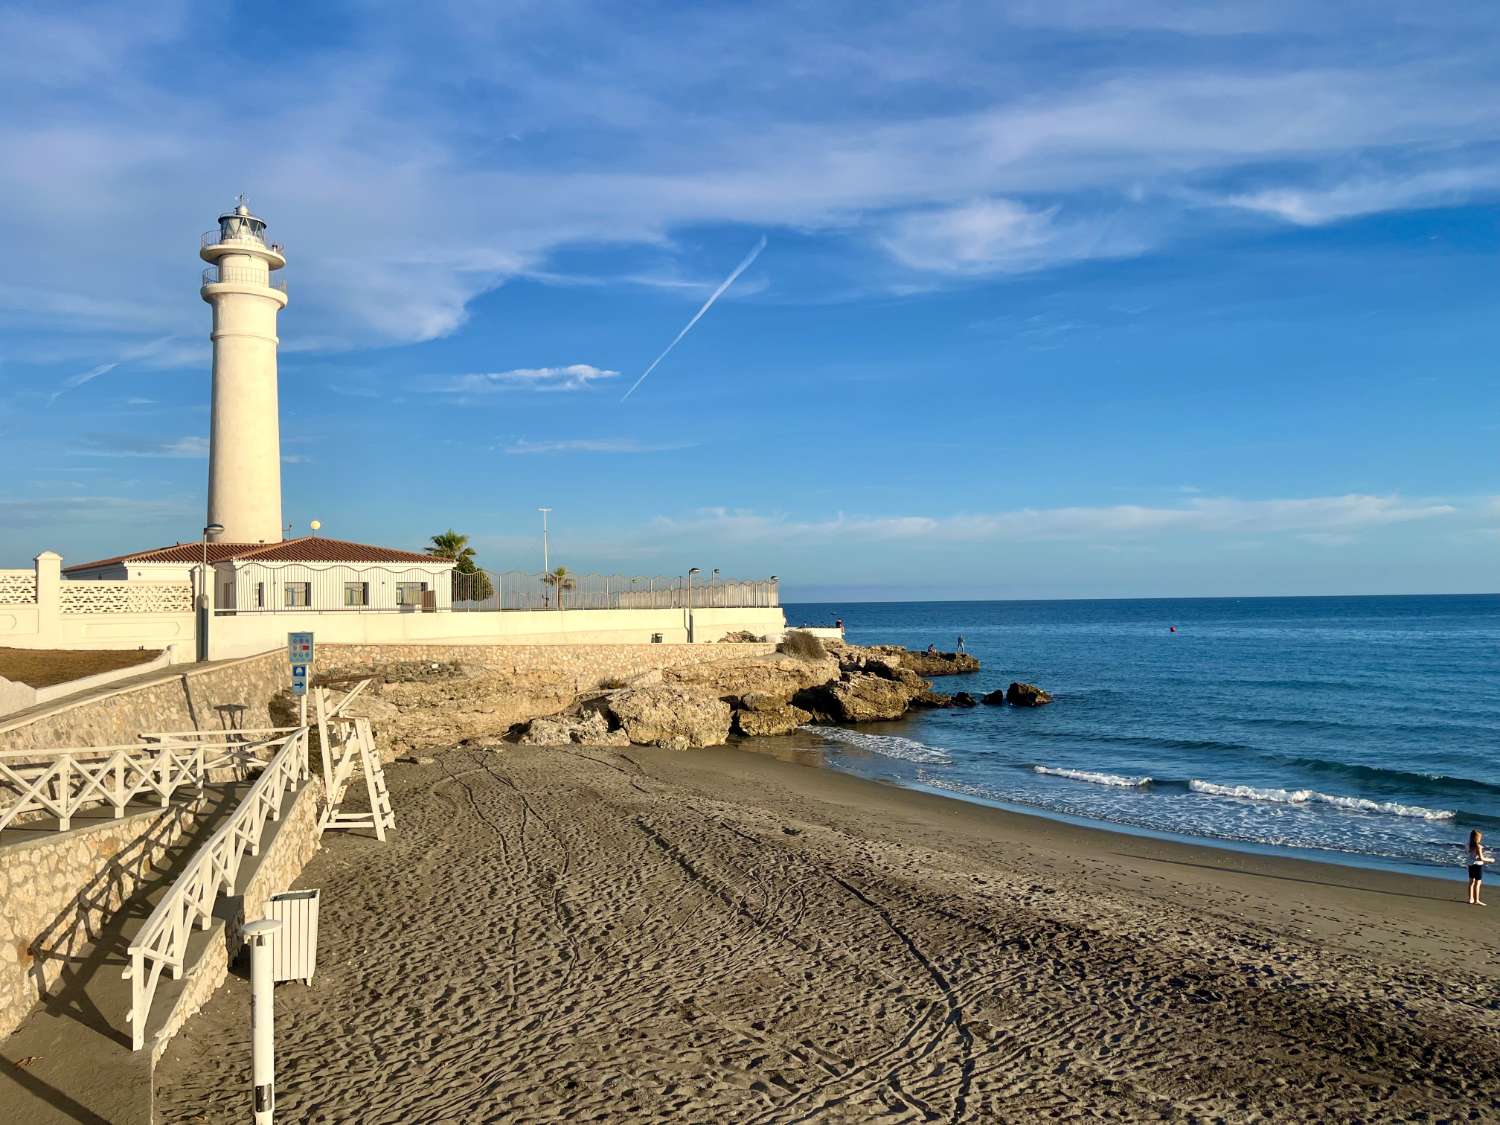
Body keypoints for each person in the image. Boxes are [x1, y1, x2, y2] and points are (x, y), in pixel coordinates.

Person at [1467, 829, 1491, 906]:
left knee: (1471, 882)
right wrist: (1490, 860)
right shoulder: (1479, 846)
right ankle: (1476, 900)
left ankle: (1471, 899)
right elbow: (1481, 858)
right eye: (1480, 837)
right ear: (1477, 838)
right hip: (1478, 865)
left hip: (1470, 864)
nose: (1480, 839)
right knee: (1477, 883)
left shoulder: (1468, 844)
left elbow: (1469, 854)